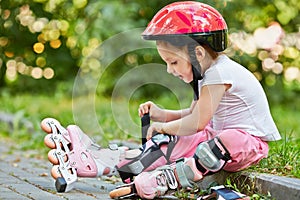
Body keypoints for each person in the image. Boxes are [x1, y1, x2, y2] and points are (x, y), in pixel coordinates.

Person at [42, 1, 281, 199]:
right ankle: (98, 160)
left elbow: (197, 121)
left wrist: (165, 126)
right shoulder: (206, 75)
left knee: (221, 141)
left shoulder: (220, 73)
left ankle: (168, 178)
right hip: (214, 136)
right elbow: (192, 114)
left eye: (173, 62)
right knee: (168, 144)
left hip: (248, 144)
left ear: (197, 53)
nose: (169, 70)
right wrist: (162, 115)